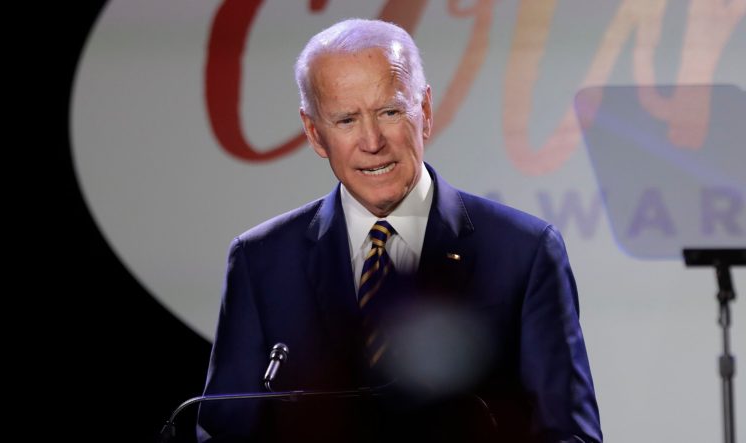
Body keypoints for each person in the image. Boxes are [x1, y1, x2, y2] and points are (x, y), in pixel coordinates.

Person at [197, 18, 602, 443]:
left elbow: (569, 434)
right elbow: (223, 431)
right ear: (315, 134)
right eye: (346, 120)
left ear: (424, 112)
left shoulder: (523, 253)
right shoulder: (261, 261)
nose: (372, 142)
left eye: (389, 111)